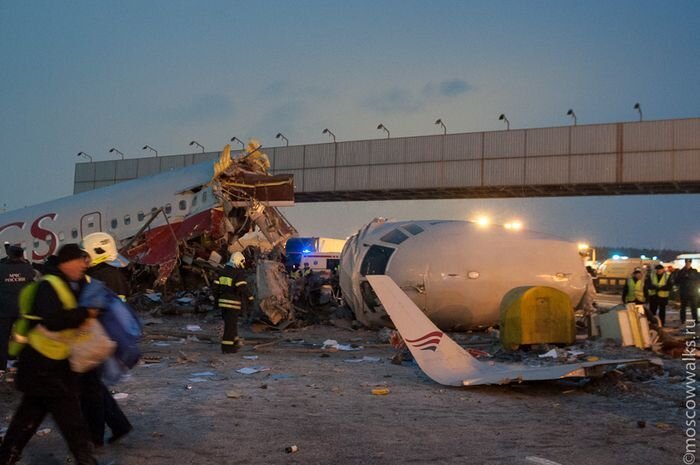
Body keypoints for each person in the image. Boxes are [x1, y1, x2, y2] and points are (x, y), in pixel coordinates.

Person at [0, 244, 98, 465]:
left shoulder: (70, 283)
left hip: (52, 365)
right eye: (79, 260)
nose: (83, 265)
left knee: (27, 418)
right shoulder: (48, 285)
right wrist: (84, 313)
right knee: (71, 422)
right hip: (44, 365)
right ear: (66, 263)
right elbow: (53, 320)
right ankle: (86, 460)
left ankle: (6, 457)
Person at [79, 232, 133, 447]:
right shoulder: (113, 273)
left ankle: (95, 436)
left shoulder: (101, 276)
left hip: (100, 336)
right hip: (107, 335)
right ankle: (119, 424)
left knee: (90, 389)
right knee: (95, 386)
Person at [0, 245, 35, 377]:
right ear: (21, 255)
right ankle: (21, 365)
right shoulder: (27, 268)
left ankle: (2, 367)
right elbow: (32, 281)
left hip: (4, 310)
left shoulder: (1, 268)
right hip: (22, 310)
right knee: (23, 338)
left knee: (2, 339)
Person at [213, 252, 253, 353]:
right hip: (232, 303)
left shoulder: (222, 271)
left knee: (231, 324)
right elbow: (242, 287)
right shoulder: (237, 273)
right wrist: (250, 298)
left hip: (223, 303)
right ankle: (227, 348)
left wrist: (216, 300)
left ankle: (235, 343)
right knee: (230, 327)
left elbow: (215, 287)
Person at [675, 259, 700, 323]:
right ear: (685, 263)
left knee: (694, 307)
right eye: (686, 262)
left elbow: (697, 279)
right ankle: (683, 320)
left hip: (693, 292)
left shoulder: (694, 271)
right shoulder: (681, 271)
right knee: (683, 307)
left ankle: (695, 320)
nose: (688, 264)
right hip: (684, 292)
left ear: (690, 263)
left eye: (689, 262)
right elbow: (677, 280)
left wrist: (690, 277)